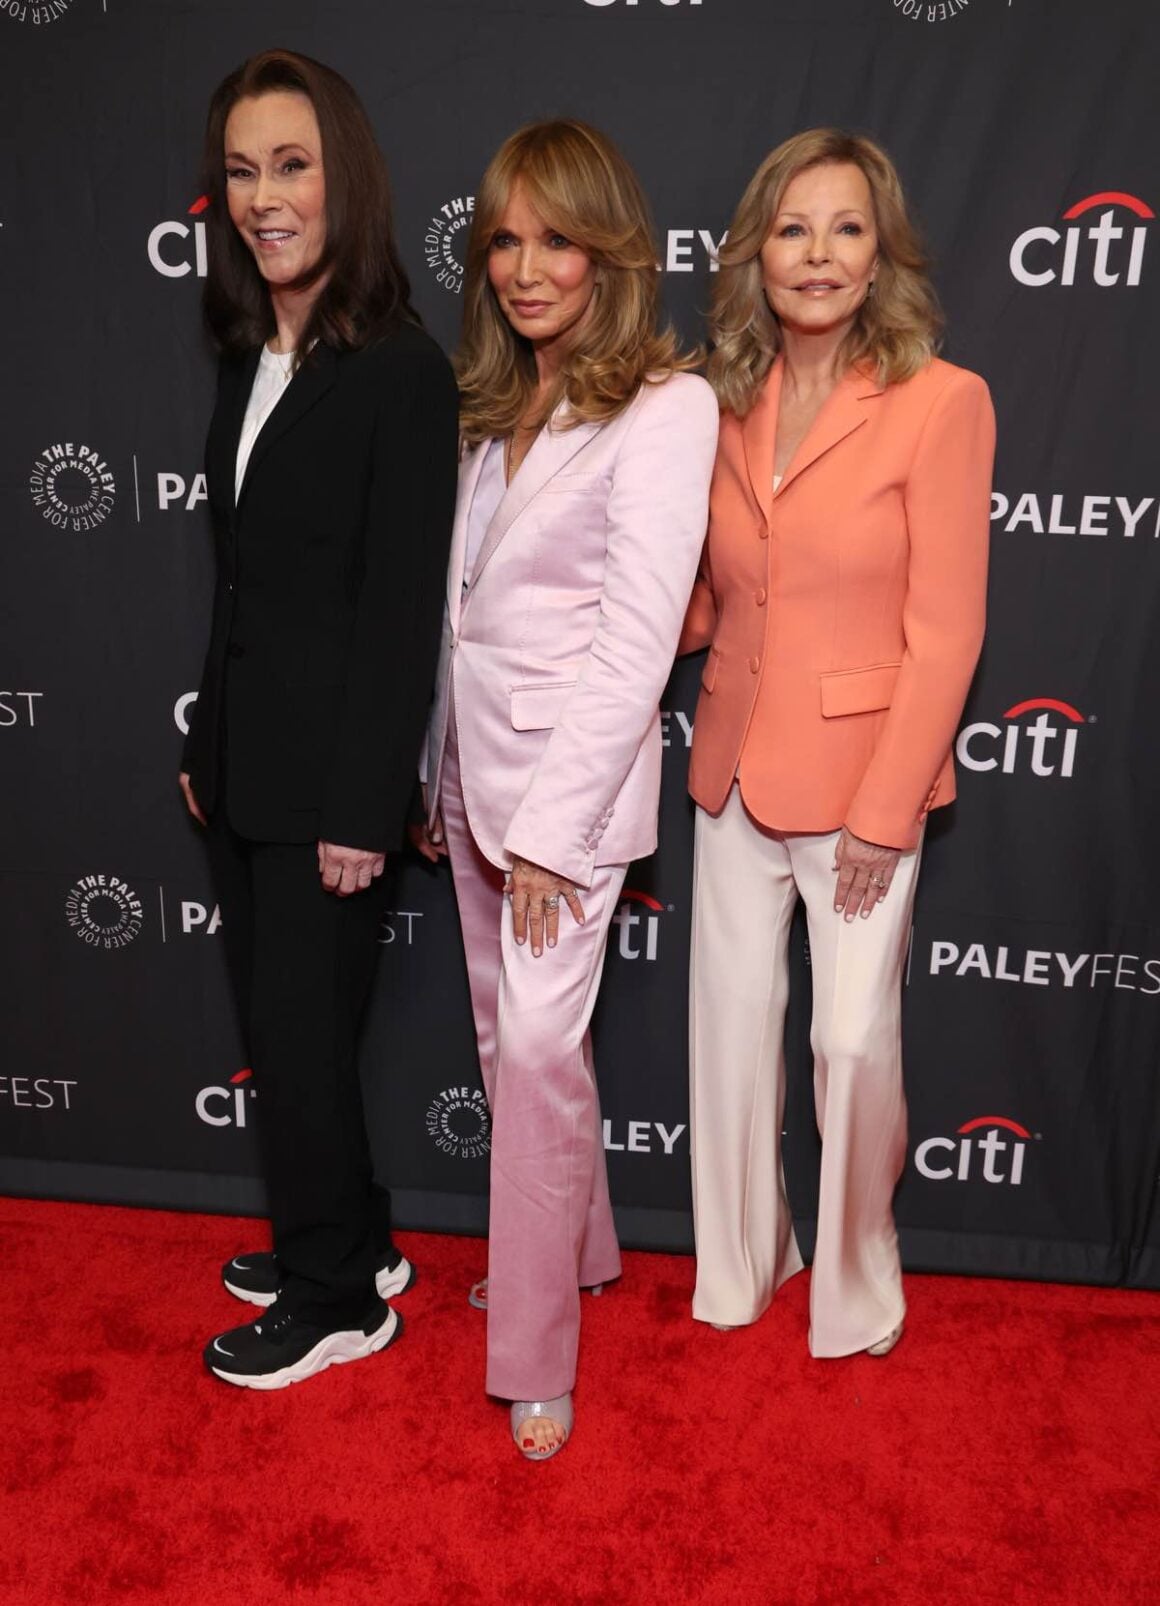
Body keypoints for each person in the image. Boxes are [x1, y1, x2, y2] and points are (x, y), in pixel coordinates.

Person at [412, 119, 718, 1457]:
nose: (525, 269)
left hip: (565, 798)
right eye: (503, 240)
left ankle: (536, 1350)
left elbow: (638, 640)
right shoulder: (496, 407)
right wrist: (438, 767)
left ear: (612, 251)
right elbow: (462, 617)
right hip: (476, 774)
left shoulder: (668, 406)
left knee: (537, 1052)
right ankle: (576, 1248)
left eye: (555, 239)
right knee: (507, 1042)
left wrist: (548, 830)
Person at [681, 129, 994, 1358]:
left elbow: (947, 630)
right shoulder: (713, 400)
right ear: (757, 250)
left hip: (866, 774)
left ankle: (858, 1280)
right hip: (731, 764)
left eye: (844, 229)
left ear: (880, 256)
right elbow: (710, 596)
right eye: (792, 228)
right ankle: (739, 1267)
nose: (816, 254)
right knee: (726, 1037)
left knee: (850, 1042)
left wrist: (884, 810)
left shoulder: (940, 400)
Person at [179, 48, 458, 1389]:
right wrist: (206, 745)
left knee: (299, 1040)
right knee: (290, 1038)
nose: (263, 197)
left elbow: (399, 609)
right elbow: (247, 584)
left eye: (291, 165)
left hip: (329, 790)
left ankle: (341, 1294)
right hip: (247, 768)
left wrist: (362, 808)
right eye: (241, 170)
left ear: (347, 177)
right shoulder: (253, 352)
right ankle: (350, 1236)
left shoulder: (399, 371)